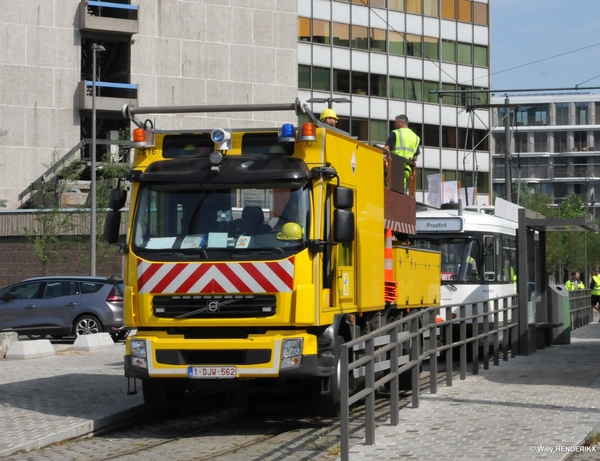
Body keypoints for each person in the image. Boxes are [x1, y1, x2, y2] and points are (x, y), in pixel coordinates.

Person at [383, 114, 421, 188]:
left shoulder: (396, 133)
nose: (394, 124)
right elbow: (415, 158)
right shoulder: (416, 137)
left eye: (395, 122)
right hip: (406, 170)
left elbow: (386, 148)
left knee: (388, 189)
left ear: (401, 123)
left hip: (394, 166)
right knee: (399, 191)